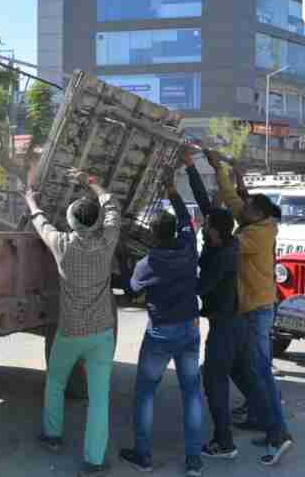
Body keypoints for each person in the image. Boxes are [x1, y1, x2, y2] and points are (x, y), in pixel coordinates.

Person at [24, 168, 119, 477]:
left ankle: (52, 436)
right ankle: (94, 460)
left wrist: (31, 201)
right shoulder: (107, 242)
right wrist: (91, 181)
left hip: (70, 331)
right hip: (102, 333)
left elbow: (41, 224)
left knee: (55, 381)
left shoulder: (62, 245)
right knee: (99, 399)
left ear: (73, 222)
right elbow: (111, 205)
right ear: (96, 222)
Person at [206, 149, 293, 466]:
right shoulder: (259, 220)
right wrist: (224, 171)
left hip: (256, 310)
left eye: (247, 209)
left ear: (257, 214)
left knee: (258, 372)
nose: (241, 211)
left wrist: (211, 220)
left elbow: (223, 244)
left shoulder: (256, 235)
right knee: (245, 369)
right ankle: (268, 423)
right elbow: (236, 201)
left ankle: (278, 432)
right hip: (250, 309)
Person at [114, 172, 204, 477]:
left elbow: (130, 290)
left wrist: (124, 262)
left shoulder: (148, 263)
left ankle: (144, 455)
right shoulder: (189, 249)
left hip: (161, 332)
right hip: (190, 329)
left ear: (152, 236)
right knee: (192, 392)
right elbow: (185, 222)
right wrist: (172, 192)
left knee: (146, 393)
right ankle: (194, 460)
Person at [182, 147, 241, 460]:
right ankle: (269, 426)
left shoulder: (223, 258)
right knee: (243, 372)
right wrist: (191, 166)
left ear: (216, 233)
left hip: (225, 323)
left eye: (207, 228)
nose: (203, 228)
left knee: (214, 380)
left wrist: (175, 280)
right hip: (226, 319)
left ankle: (225, 441)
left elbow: (200, 286)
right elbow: (206, 203)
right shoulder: (224, 240)